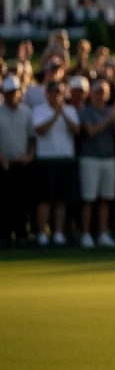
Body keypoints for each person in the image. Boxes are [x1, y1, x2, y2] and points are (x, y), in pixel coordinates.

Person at [31, 79, 80, 246]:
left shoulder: (70, 110)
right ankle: (43, 233)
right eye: (52, 92)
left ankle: (58, 233)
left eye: (58, 92)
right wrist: (55, 115)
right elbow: (41, 130)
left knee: (61, 200)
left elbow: (76, 130)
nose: (55, 95)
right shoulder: (40, 110)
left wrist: (63, 113)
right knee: (45, 199)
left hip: (65, 160)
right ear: (47, 94)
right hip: (46, 160)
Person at [78, 79, 115, 248]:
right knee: (89, 199)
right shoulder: (86, 111)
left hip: (108, 159)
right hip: (90, 160)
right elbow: (92, 131)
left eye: (104, 92)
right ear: (91, 94)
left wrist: (114, 117)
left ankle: (103, 234)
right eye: (98, 92)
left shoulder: (111, 111)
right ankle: (86, 234)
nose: (101, 96)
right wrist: (110, 117)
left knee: (105, 199)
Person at [0, 75, 35, 246]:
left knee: (21, 202)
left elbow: (32, 138)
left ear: (19, 92)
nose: (12, 95)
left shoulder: (26, 112)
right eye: (8, 93)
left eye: (14, 92)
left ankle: (22, 235)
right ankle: (4, 236)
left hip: (22, 164)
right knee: (4, 203)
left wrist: (30, 155)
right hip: (3, 165)